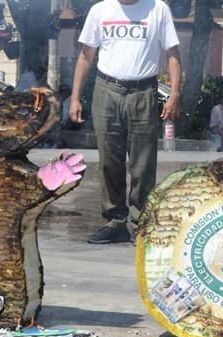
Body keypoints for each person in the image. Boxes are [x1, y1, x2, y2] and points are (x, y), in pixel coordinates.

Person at [70, 0, 182, 244]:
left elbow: (172, 55)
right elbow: (86, 56)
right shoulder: (100, 10)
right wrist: (75, 98)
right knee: (110, 160)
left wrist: (174, 94)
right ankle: (115, 221)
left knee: (143, 161)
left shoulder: (158, 9)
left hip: (144, 92)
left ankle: (140, 222)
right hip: (107, 90)